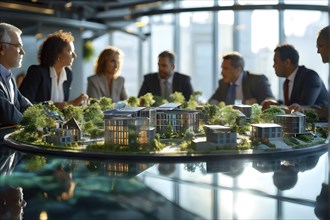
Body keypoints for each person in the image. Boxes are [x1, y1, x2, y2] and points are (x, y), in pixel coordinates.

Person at [19, 30, 88, 110]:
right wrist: (70, 104)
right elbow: (24, 104)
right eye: (70, 51)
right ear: (57, 54)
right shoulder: (36, 72)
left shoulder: (68, 74)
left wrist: (77, 105)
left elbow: (63, 110)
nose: (74, 55)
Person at [262, 44, 328, 114]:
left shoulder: (310, 77)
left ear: (287, 62)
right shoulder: (286, 83)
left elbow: (302, 107)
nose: (273, 66)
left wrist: (279, 107)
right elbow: (291, 106)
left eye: (275, 61)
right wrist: (275, 104)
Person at [208, 51, 274, 105]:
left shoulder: (257, 81)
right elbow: (212, 102)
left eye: (225, 69)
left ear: (238, 69)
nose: (222, 73)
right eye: (222, 68)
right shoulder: (223, 83)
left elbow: (271, 103)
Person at [0, 23, 32, 131]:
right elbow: (10, 115)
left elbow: (23, 104)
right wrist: (35, 124)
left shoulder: (9, 76)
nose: (22, 52)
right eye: (18, 46)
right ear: (1, 48)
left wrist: (42, 116)